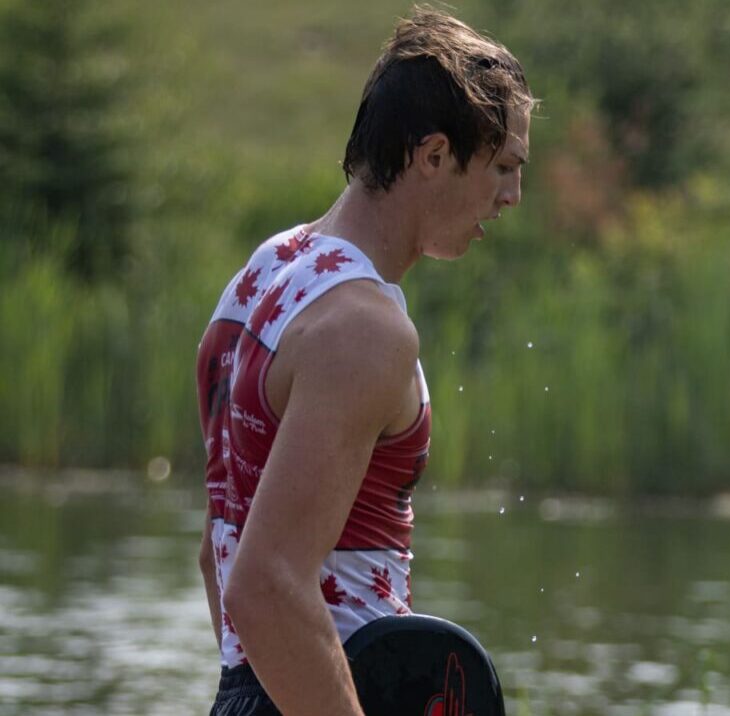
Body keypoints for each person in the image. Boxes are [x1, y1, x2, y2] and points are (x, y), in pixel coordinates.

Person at [195, 7, 533, 715]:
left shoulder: (261, 279)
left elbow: (219, 556)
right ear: (433, 155)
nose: (512, 196)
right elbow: (265, 586)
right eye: (503, 167)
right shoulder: (366, 331)